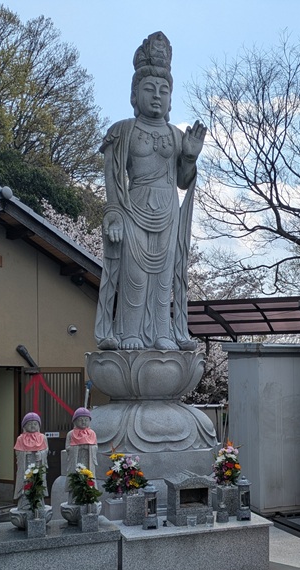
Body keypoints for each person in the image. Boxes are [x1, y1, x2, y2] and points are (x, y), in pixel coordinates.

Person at [96, 31, 206, 351]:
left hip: (168, 209)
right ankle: (129, 332)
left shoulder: (175, 135)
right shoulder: (123, 131)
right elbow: (112, 176)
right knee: (135, 274)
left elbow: (183, 180)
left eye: (164, 90)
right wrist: (113, 214)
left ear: (171, 98)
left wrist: (189, 157)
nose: (157, 96)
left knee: (163, 277)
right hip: (135, 207)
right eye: (149, 89)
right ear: (134, 95)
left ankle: (162, 333)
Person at [13, 412, 48, 507]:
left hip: (38, 464)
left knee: (38, 481)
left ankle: (39, 503)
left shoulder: (43, 438)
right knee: (26, 482)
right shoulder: (20, 438)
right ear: (24, 426)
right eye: (30, 424)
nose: (32, 426)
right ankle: (24, 503)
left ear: (39, 425)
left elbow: (46, 450)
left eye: (35, 424)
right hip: (26, 465)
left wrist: (41, 454)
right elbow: (17, 452)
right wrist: (25, 453)